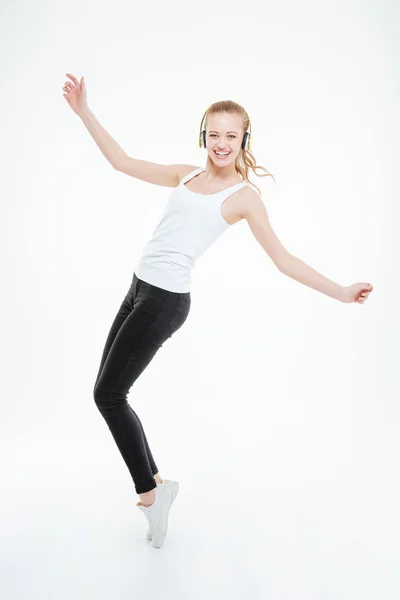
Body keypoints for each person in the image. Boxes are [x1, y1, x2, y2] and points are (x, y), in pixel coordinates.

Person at [62, 73, 374, 547]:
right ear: (203, 135)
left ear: (243, 138)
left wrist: (340, 290)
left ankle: (150, 494)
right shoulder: (186, 174)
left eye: (231, 135)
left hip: (165, 301)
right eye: (214, 134)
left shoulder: (243, 197)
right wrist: (84, 110)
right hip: (138, 287)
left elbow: (284, 260)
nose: (221, 143)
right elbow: (123, 163)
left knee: (108, 396)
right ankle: (157, 487)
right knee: (107, 393)